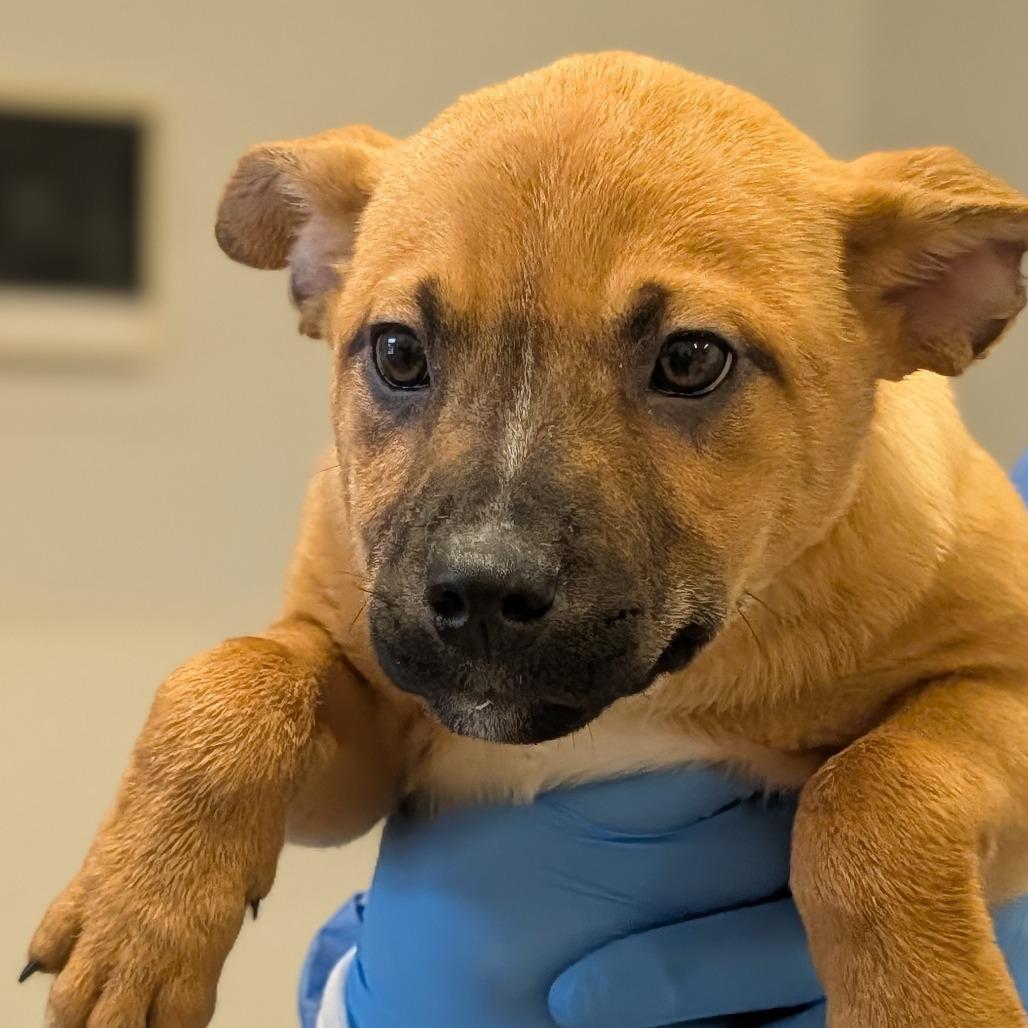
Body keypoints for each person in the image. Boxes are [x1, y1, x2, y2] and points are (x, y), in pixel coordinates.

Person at [300, 460, 1028, 1027]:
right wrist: (354, 1003)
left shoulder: (946, 535)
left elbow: (999, 689)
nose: (492, 552)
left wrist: (891, 847)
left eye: (684, 365)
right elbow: (333, 740)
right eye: (403, 359)